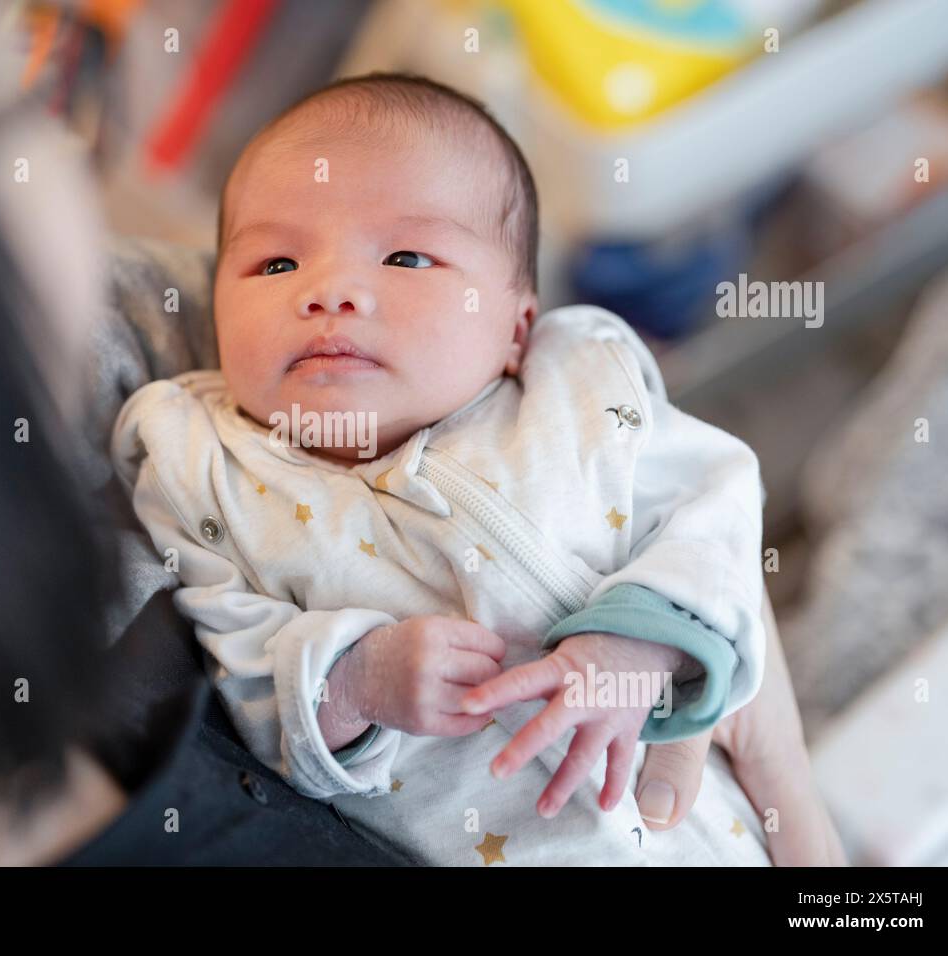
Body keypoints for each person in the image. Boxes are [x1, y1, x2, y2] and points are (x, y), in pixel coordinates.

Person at [111, 73, 840, 864]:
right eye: (277, 265)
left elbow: (715, 502)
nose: (331, 292)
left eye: (405, 256)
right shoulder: (204, 464)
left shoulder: (576, 388)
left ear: (516, 326)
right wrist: (354, 681)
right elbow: (243, 662)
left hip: (716, 832)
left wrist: (643, 648)